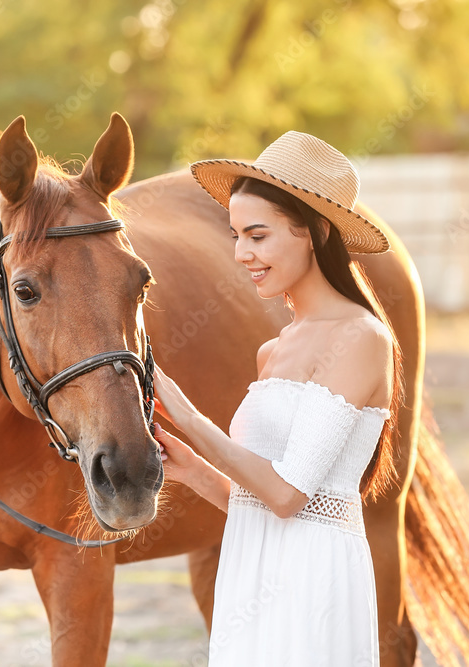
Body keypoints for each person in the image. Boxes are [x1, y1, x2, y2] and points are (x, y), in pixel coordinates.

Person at [150, 130, 405, 666]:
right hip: (251, 573)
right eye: (236, 235)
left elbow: (290, 496)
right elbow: (261, 502)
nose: (241, 253)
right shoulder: (272, 350)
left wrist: (189, 416)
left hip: (314, 584)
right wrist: (192, 468)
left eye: (258, 236)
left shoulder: (360, 338)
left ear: (311, 231)